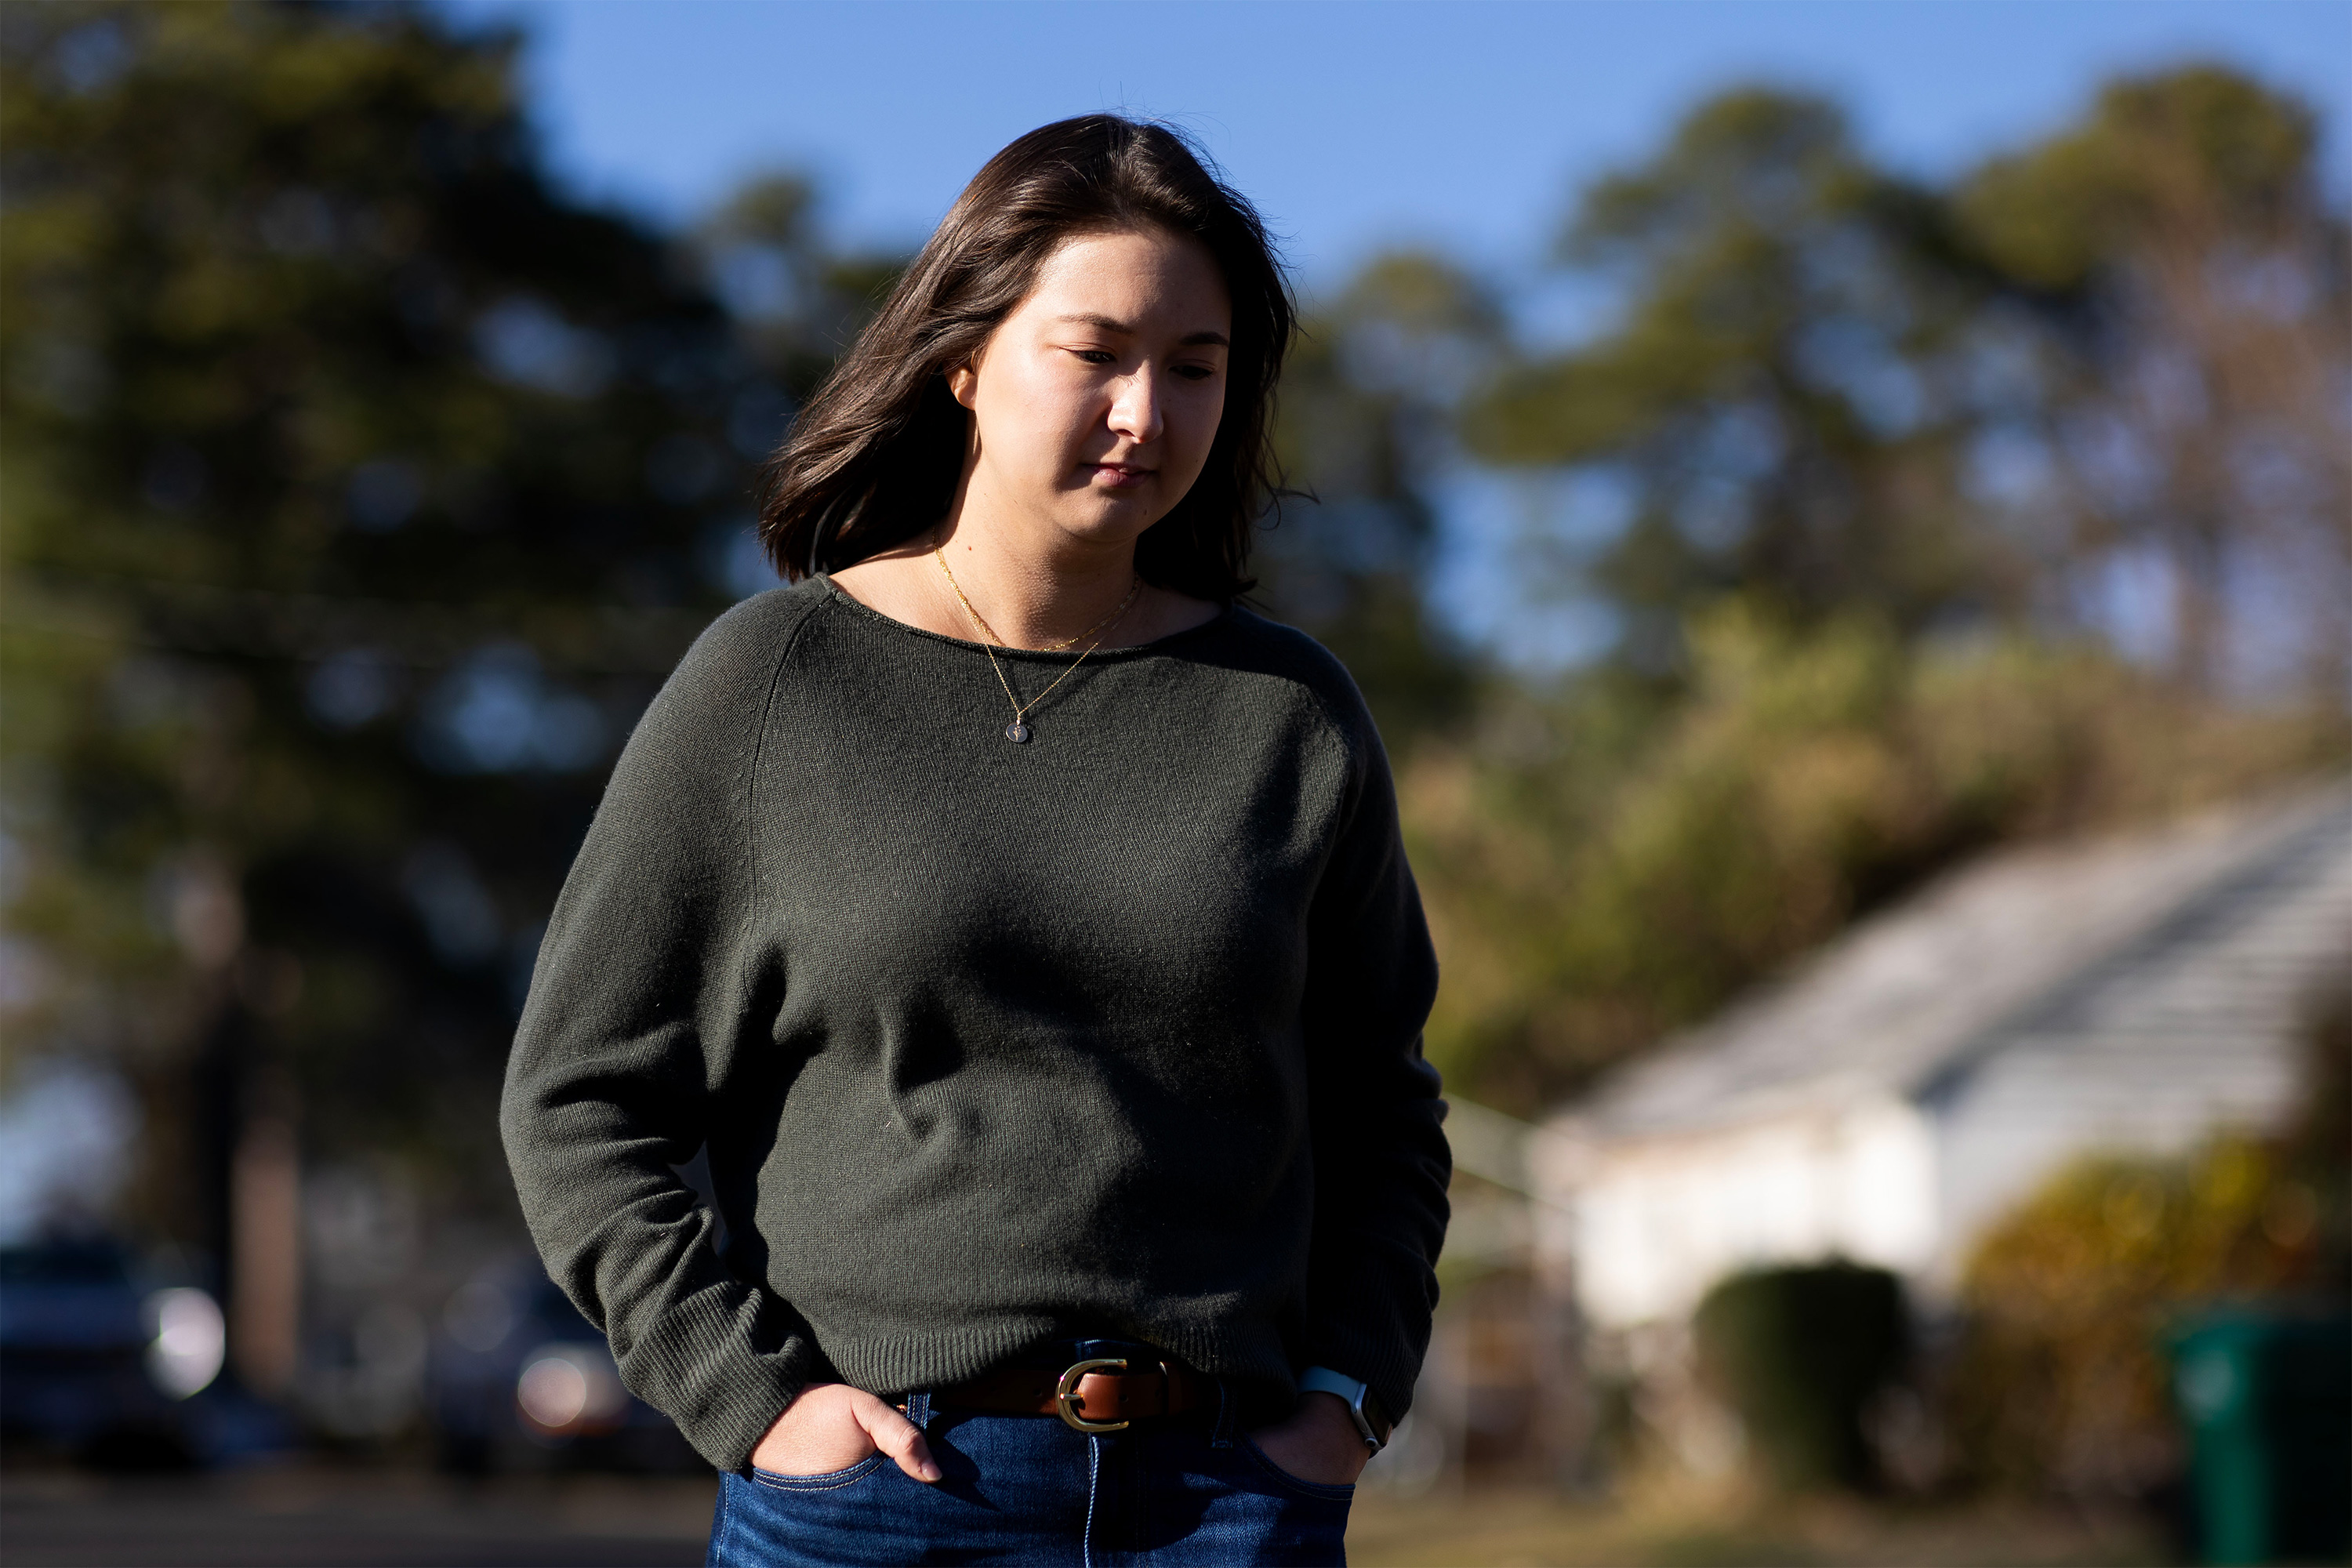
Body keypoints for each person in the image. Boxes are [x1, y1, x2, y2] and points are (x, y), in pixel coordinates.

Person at [501, 114, 1450, 1567]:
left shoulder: (1287, 714)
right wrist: (755, 1399)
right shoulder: (773, 683)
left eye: (1196, 369)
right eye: (1097, 353)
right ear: (965, 359)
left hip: (1224, 1506)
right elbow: (576, 1097)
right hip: (878, 1499)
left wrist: (1346, 1399)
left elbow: (1386, 1109)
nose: (1147, 411)